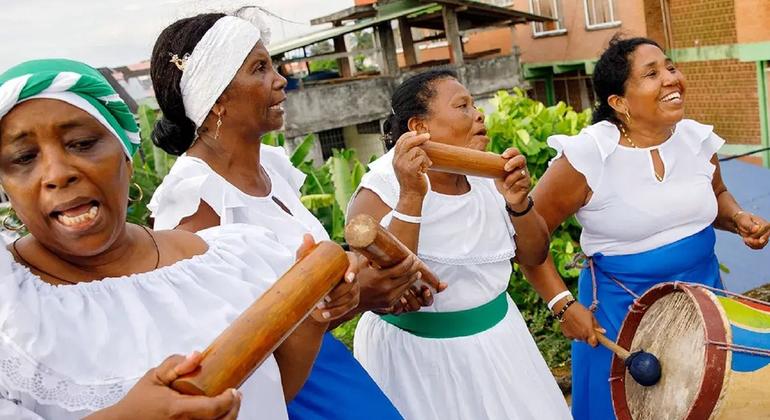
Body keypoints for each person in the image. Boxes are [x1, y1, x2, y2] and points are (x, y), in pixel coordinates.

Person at [0, 58, 358, 419]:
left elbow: (274, 391)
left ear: (126, 152)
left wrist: (313, 315)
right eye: (24, 157)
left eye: (81, 143)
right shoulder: (11, 308)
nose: (58, 174)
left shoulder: (231, 261)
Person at [147, 12, 418, 419]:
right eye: (260, 68)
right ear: (216, 97)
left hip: (325, 366)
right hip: (280, 392)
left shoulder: (273, 169)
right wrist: (354, 298)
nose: (281, 80)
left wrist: (369, 286)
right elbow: (217, 352)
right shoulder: (194, 201)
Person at [518, 36, 770, 420]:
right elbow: (528, 239)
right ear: (619, 103)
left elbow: (716, 192)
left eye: (670, 67)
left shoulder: (696, 139)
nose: (671, 78)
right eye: (652, 74)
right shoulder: (588, 156)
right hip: (621, 321)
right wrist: (562, 305)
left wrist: (737, 219)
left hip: (702, 305)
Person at [345, 69, 572, 420]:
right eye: (462, 106)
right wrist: (410, 196)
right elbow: (383, 287)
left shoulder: (487, 175)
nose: (478, 114)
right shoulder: (381, 190)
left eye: (474, 104)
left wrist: (518, 203)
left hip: (502, 343)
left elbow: (534, 253)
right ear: (419, 128)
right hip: (418, 360)